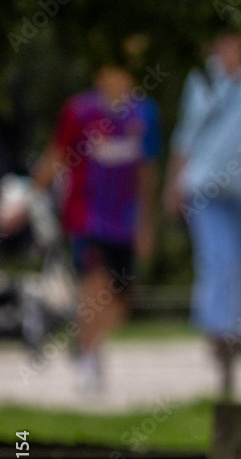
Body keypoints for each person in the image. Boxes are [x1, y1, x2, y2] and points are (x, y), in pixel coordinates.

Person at [32, 55, 160, 391]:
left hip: (125, 220)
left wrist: (147, 224)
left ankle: (84, 336)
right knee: (95, 285)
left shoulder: (143, 115)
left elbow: (147, 171)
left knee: (121, 299)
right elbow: (57, 154)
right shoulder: (79, 111)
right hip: (86, 217)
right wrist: (30, 195)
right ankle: (90, 360)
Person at [164, 29, 241, 363]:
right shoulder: (202, 80)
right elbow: (185, 134)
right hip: (207, 185)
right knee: (217, 259)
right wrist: (173, 183)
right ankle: (218, 331)